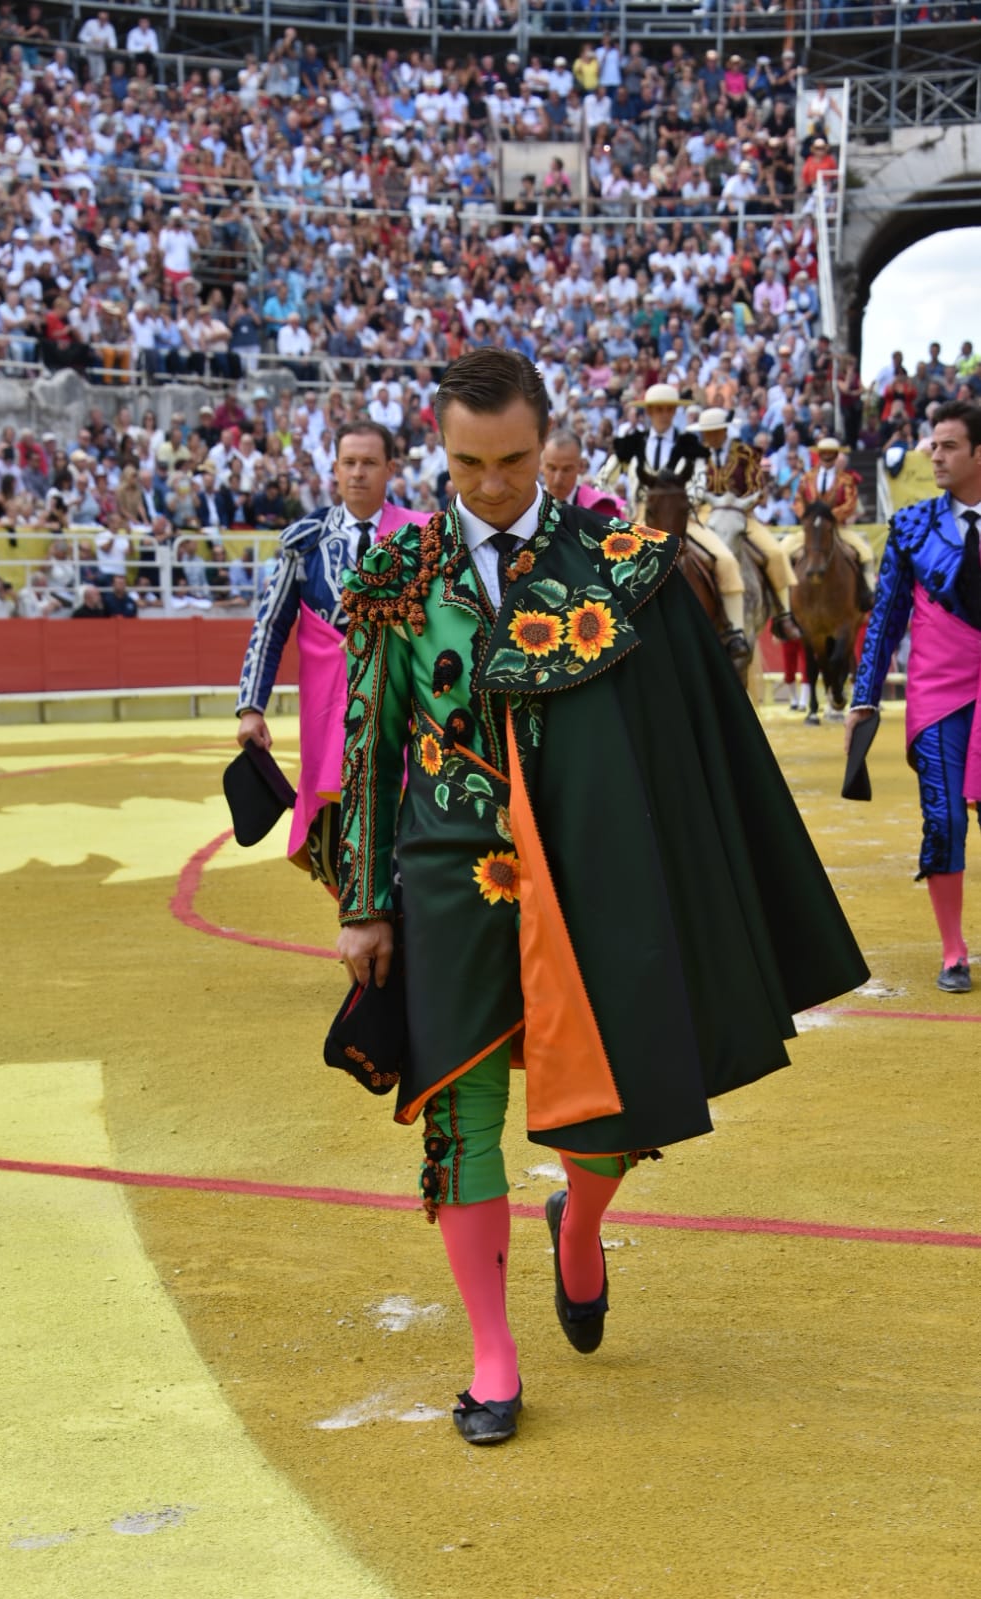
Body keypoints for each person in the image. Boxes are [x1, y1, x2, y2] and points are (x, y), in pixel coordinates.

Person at [337, 350, 867, 1447]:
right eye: (468, 464)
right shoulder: (397, 574)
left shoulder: (623, 562)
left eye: (514, 460)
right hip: (449, 869)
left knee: (615, 1095)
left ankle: (577, 1226)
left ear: (547, 442)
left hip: (595, 865)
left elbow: (675, 743)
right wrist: (364, 902)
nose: (492, 485)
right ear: (439, 452)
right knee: (461, 1108)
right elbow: (370, 746)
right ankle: (492, 1358)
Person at [234, 422, 430, 892]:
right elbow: (271, 624)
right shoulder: (304, 541)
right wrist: (250, 707)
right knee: (336, 839)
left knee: (409, 825)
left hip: (406, 704)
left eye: (369, 463)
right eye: (349, 463)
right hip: (330, 713)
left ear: (390, 469)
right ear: (335, 469)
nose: (358, 473)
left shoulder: (423, 536)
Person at [847, 399, 981, 994]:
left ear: (979, 453)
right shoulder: (911, 525)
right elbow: (885, 619)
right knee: (943, 817)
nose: (936, 455)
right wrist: (864, 699)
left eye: (949, 446)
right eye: (934, 445)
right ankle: (953, 951)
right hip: (938, 691)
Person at [605, 384, 749, 661]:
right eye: (658, 409)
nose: (663, 414)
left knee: (726, 560)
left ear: (675, 412)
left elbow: (698, 483)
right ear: (649, 412)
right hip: (639, 518)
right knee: (607, 568)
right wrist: (621, 506)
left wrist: (679, 502)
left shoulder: (689, 445)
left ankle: (735, 632)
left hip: (682, 517)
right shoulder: (632, 444)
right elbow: (603, 480)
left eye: (668, 409)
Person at [694, 408, 800, 641]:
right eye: (706, 433)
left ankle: (784, 615)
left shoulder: (746, 453)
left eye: (713, 432)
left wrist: (738, 503)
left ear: (723, 431)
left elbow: (756, 487)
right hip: (705, 513)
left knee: (775, 553)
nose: (709, 437)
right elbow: (692, 487)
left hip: (740, 513)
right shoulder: (697, 456)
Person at [788, 436, 876, 607]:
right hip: (811, 529)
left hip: (837, 528)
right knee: (783, 550)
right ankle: (783, 597)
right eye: (824, 453)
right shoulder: (807, 478)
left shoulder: (847, 480)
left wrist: (828, 516)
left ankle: (868, 592)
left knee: (866, 553)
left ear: (836, 456)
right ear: (819, 455)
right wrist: (810, 516)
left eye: (831, 453)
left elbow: (850, 504)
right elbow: (798, 500)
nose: (827, 456)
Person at [540, 429, 629, 518]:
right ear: (540, 465)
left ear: (580, 466)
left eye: (566, 470)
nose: (558, 479)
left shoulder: (604, 510)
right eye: (552, 468)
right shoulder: (531, 506)